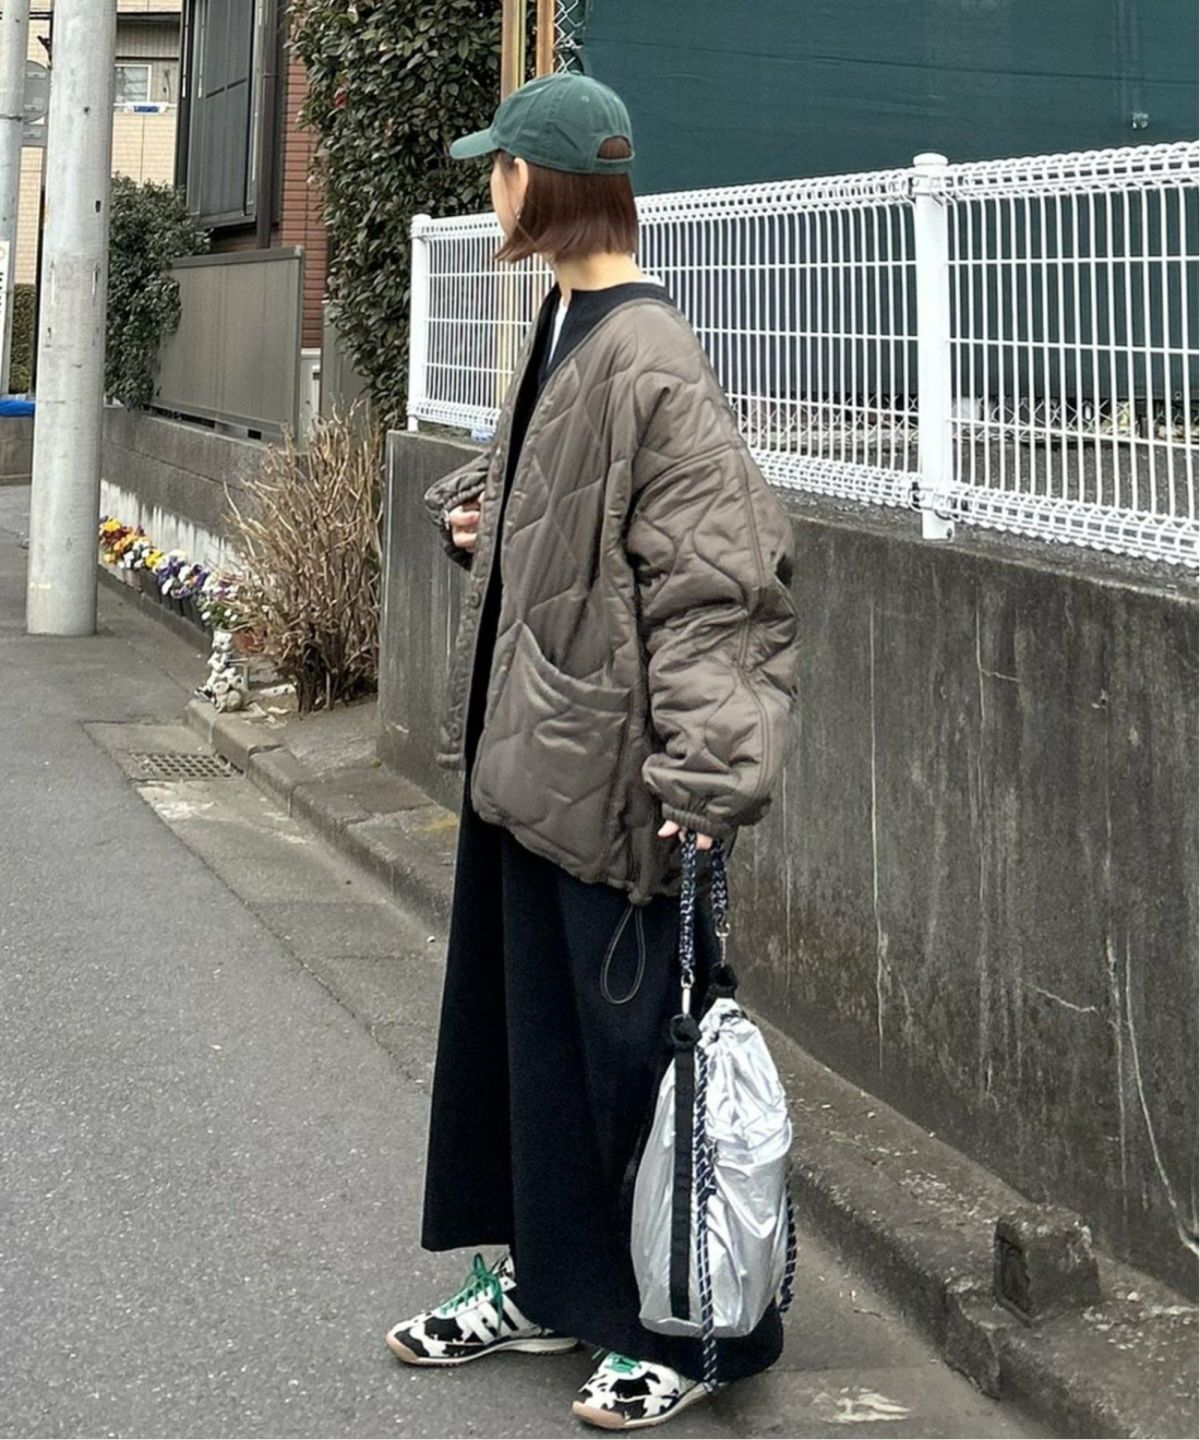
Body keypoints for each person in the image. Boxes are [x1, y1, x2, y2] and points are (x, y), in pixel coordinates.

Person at [386, 72, 800, 1431]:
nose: (487, 189)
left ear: (542, 183)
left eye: (499, 169)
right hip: (529, 759)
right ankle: (547, 1286)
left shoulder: (650, 358)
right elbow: (575, 518)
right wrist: (487, 522)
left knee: (629, 1059)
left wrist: (708, 777)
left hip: (614, 781)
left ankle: (673, 1330)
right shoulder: (565, 319)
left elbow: (716, 585)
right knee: (530, 1051)